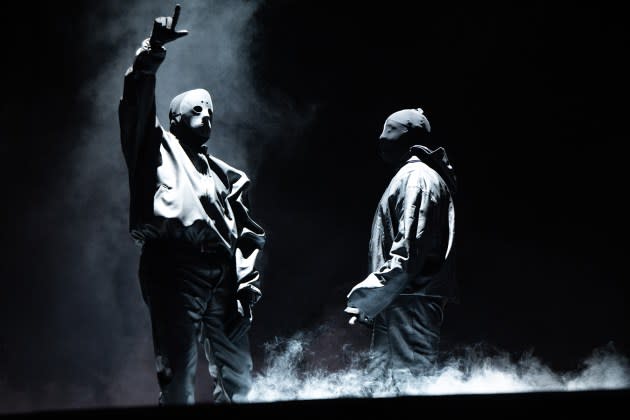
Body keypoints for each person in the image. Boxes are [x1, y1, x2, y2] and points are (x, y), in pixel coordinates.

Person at [118, 5, 266, 405]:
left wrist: (244, 283)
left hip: (220, 273)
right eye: (196, 110)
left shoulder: (226, 175)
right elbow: (135, 104)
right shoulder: (155, 148)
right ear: (176, 119)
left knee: (238, 374)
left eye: (211, 112)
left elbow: (247, 234)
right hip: (174, 264)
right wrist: (151, 52)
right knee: (178, 374)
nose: (206, 117)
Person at [344, 108, 457, 384]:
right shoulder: (414, 176)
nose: (381, 140)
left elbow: (409, 250)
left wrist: (368, 296)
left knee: (411, 386)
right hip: (399, 302)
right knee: (382, 387)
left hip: (411, 304)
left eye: (389, 131)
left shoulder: (418, 178)